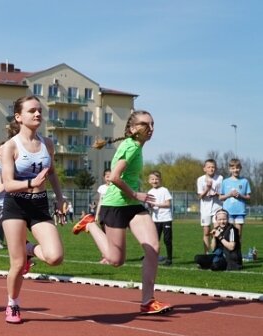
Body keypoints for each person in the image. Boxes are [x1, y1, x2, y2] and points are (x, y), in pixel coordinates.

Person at [72, 110, 173, 315]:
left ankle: (147, 301)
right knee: (116, 260)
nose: (151, 128)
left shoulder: (136, 146)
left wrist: (135, 197)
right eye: (146, 124)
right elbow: (115, 177)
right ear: (133, 129)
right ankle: (89, 224)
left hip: (133, 206)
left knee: (153, 247)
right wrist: (137, 194)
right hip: (116, 204)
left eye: (153, 124)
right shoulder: (131, 147)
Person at [0, 97, 67, 324]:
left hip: (39, 204)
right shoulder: (9, 147)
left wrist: (59, 197)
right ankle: (13, 304)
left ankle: (29, 249)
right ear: (19, 117)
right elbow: (7, 184)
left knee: (55, 257)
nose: (37, 114)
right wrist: (30, 183)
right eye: (32, 111)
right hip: (16, 205)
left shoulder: (47, 143)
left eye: (39, 110)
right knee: (17, 264)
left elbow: (53, 172)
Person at [219, 158, 251, 237]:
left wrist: (240, 196)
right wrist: (229, 195)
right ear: (229, 169)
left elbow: (248, 197)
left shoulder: (245, 181)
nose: (235, 170)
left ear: (240, 168)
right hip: (228, 212)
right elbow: (220, 197)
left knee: (238, 235)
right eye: (233, 168)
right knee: (227, 235)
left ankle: (238, 250)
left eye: (237, 168)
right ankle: (226, 249)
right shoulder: (225, 182)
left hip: (240, 212)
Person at [196, 158, 223, 253]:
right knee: (206, 232)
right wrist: (207, 189)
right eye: (209, 167)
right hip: (205, 209)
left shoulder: (220, 178)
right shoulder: (200, 179)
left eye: (213, 167)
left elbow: (221, 195)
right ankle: (206, 253)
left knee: (217, 231)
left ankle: (217, 252)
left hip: (217, 208)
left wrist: (216, 193)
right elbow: (199, 197)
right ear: (204, 169)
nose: (211, 169)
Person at [147, 171, 173, 266]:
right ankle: (155, 258)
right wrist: (150, 206)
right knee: (155, 240)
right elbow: (150, 206)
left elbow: (168, 204)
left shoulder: (164, 190)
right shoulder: (149, 192)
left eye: (156, 179)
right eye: (152, 179)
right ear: (149, 181)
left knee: (167, 240)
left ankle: (169, 259)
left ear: (160, 180)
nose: (154, 181)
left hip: (166, 218)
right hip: (155, 220)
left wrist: (156, 205)